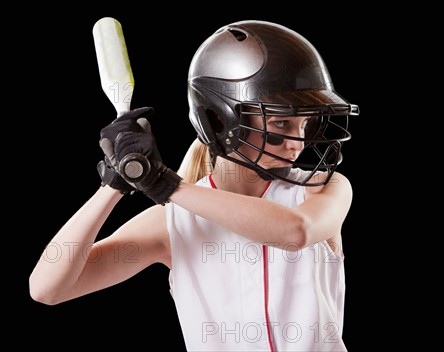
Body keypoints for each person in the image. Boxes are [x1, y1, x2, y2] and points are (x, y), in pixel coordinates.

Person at [29, 20, 359, 351]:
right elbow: (48, 288)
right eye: (281, 124)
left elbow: (295, 233)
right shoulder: (174, 222)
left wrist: (163, 183)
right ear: (219, 120)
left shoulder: (321, 188)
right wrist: (114, 183)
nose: (296, 144)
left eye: (305, 125)